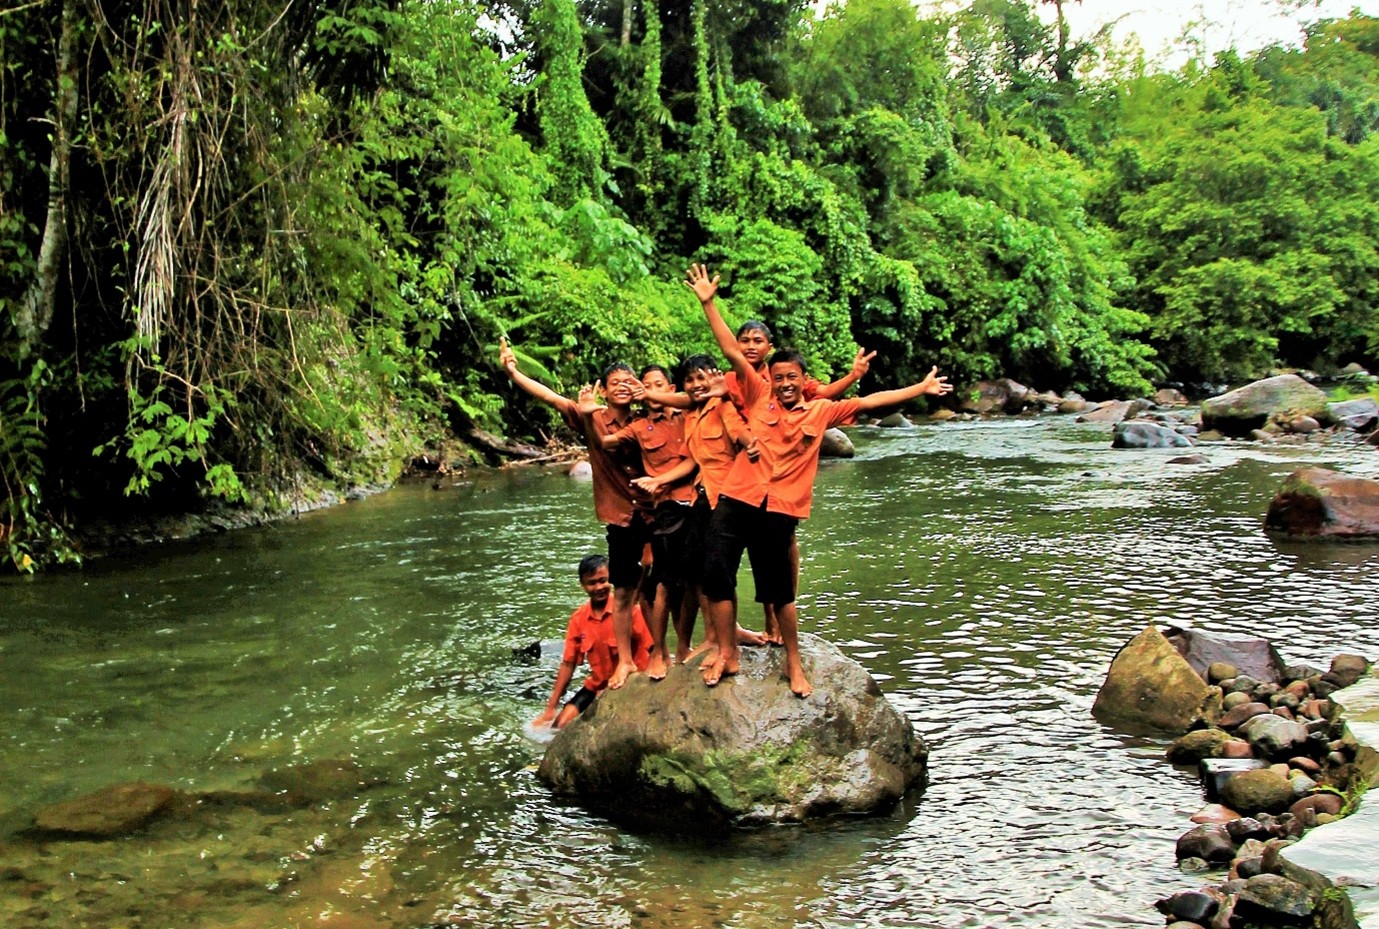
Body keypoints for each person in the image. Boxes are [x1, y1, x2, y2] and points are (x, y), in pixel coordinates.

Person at [687, 263, 953, 698]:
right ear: (769, 381)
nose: (785, 384)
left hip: (779, 509)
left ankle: (793, 661)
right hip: (737, 498)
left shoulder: (820, 411)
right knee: (717, 574)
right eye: (779, 378)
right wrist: (708, 303)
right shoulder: (757, 395)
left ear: (802, 382)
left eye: (793, 378)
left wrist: (918, 390)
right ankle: (729, 652)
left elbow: (870, 401)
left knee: (781, 594)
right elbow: (733, 354)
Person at [498, 338, 652, 689]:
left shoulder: (649, 418)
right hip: (620, 516)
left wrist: (651, 396)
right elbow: (550, 396)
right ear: (604, 391)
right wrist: (514, 371)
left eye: (629, 381)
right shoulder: (590, 417)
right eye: (616, 384)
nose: (624, 388)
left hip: (654, 513)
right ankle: (625, 661)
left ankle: (659, 653)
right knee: (625, 590)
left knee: (657, 589)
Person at [578, 365, 699, 680]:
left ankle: (684, 646)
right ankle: (636, 658)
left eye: (658, 385)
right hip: (628, 513)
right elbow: (605, 442)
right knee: (630, 589)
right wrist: (513, 373)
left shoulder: (687, 416)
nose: (650, 390)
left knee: (684, 582)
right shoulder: (637, 424)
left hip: (666, 510)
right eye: (646, 385)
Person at [534, 554, 654, 729]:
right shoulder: (578, 619)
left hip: (629, 683)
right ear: (583, 585)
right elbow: (568, 664)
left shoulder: (630, 611)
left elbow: (653, 649)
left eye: (603, 580)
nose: (599, 587)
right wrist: (550, 708)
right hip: (596, 685)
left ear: (611, 579)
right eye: (592, 583)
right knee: (558, 726)